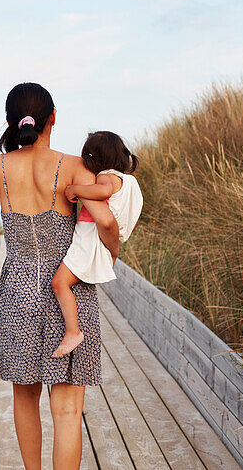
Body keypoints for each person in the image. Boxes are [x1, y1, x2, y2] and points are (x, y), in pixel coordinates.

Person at [0, 82, 120, 470]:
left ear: (12, 123)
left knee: (24, 399)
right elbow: (107, 220)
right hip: (70, 290)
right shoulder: (76, 167)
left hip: (17, 291)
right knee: (66, 411)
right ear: (53, 117)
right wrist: (111, 254)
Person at [50, 131, 143, 358]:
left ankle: (73, 331)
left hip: (91, 237)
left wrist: (74, 190)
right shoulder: (129, 181)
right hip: (110, 241)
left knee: (59, 283)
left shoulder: (106, 176)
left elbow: (103, 191)